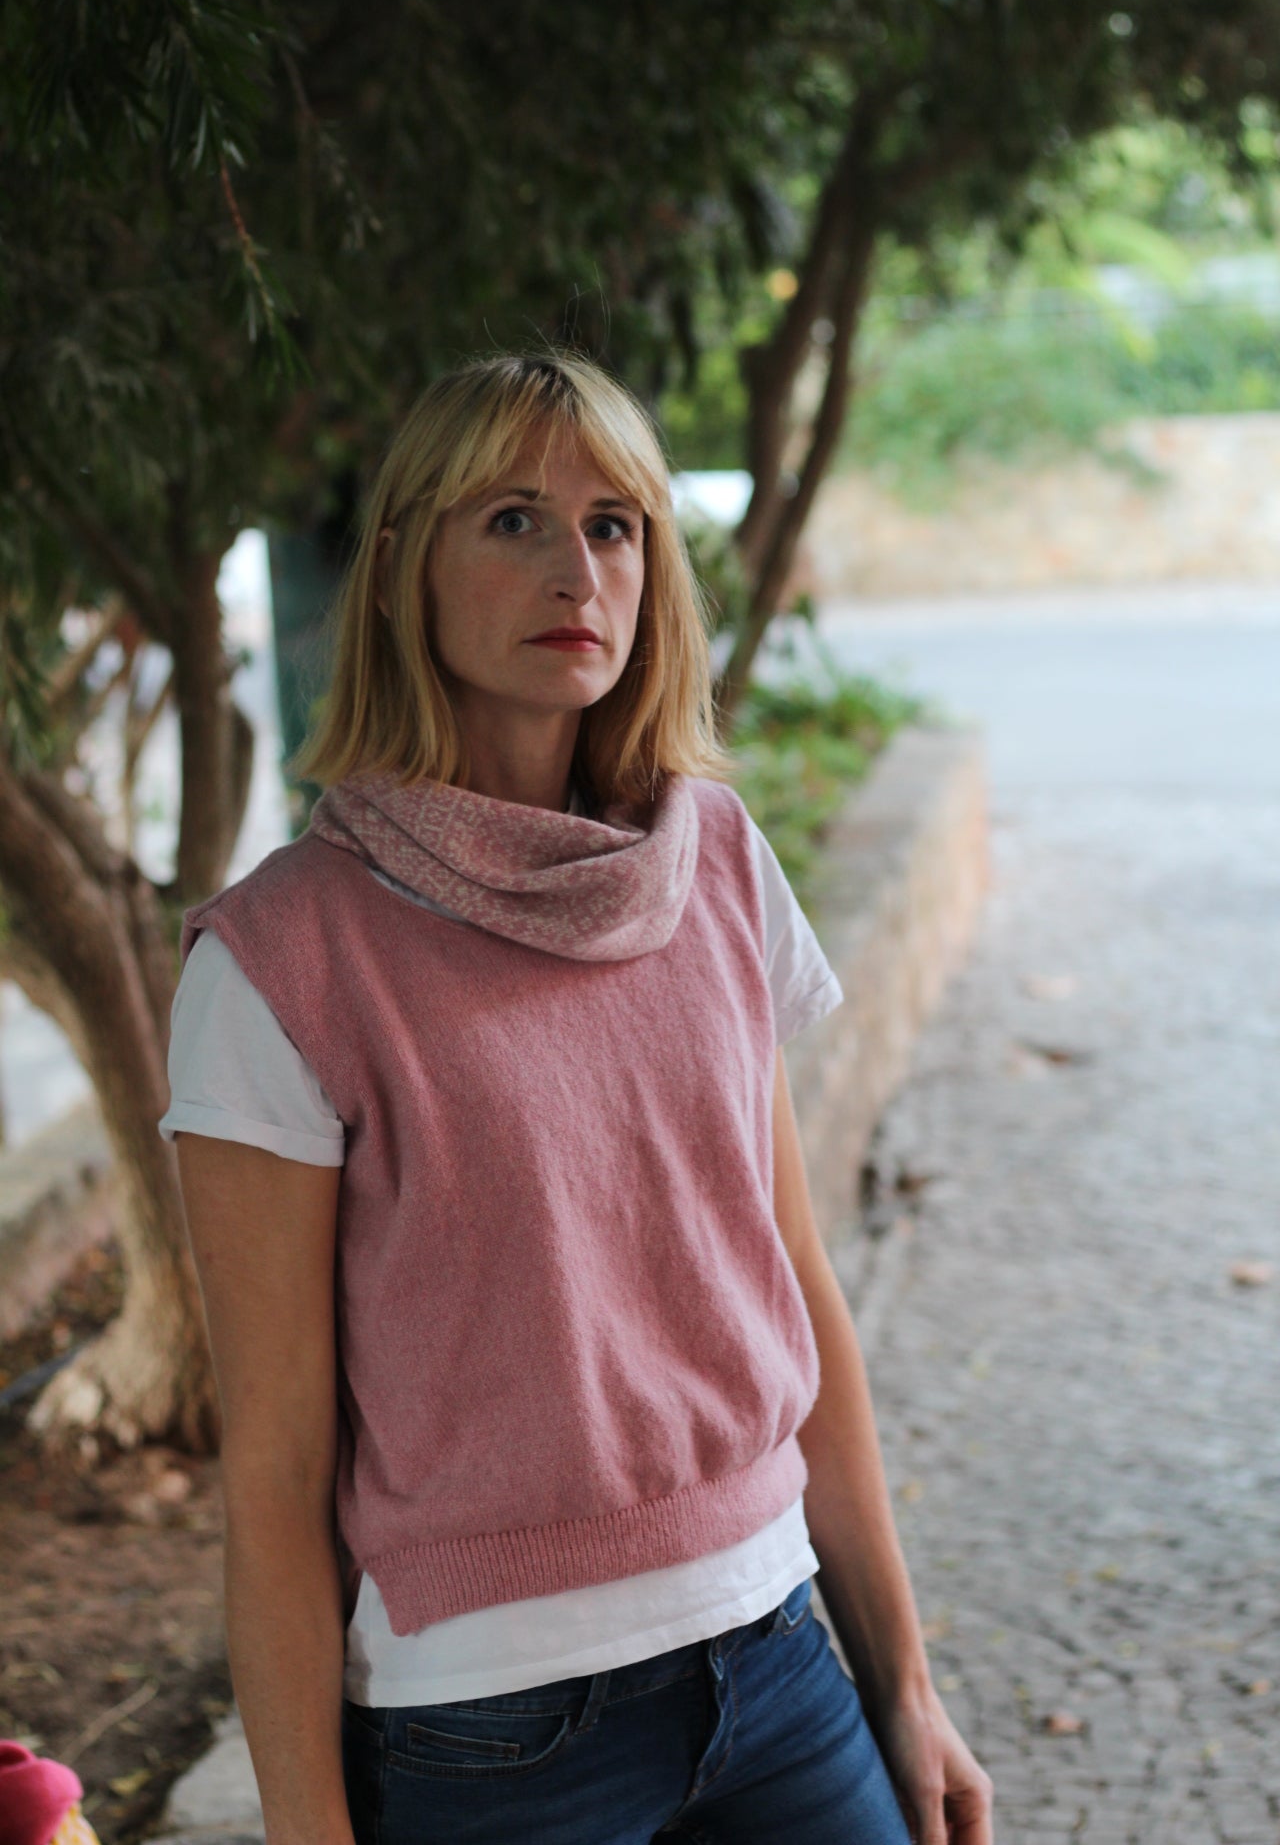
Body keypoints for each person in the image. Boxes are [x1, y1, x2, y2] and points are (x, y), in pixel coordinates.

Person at [161, 348, 993, 1845]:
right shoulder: (284, 960)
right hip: (492, 1732)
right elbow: (275, 1473)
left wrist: (906, 1684)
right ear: (407, 559)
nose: (576, 568)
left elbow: (800, 1290)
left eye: (616, 525)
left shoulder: (722, 864)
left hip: (782, 1657)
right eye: (513, 519)